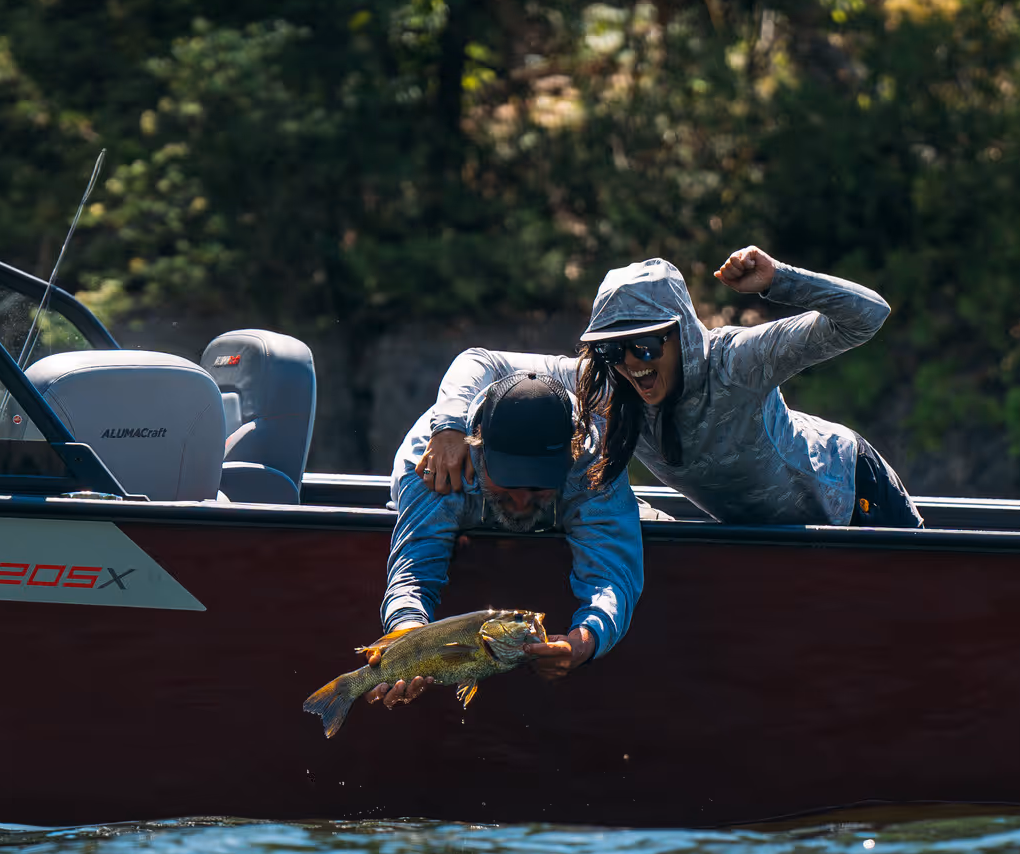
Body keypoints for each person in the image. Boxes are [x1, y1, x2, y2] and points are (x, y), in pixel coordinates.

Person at [414, 246, 920, 527]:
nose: (633, 363)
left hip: (853, 495)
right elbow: (481, 360)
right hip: (762, 534)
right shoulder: (606, 382)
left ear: (681, 333)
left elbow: (868, 316)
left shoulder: (736, 361)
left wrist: (778, 280)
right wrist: (450, 427)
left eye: (648, 347)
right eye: (616, 349)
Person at [366, 371, 644, 711]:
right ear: (478, 453)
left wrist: (584, 641)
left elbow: (612, 575)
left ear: (569, 461)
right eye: (508, 484)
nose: (523, 501)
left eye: (540, 487)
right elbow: (412, 575)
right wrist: (409, 637)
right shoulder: (434, 463)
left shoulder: (594, 464)